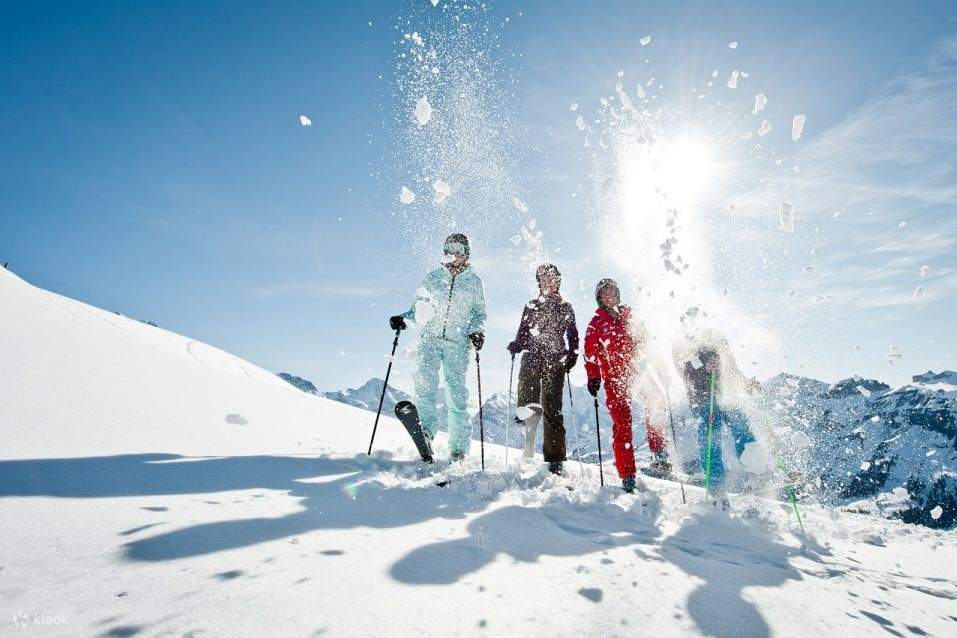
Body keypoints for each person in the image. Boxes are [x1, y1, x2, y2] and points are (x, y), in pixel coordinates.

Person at [389, 233, 487, 462]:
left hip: (458, 343)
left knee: (456, 393)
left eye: (459, 250)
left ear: (466, 254)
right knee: (424, 385)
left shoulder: (474, 282)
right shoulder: (433, 278)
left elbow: (479, 313)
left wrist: (477, 331)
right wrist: (404, 318)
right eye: (450, 249)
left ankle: (459, 447)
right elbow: (418, 309)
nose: (454, 254)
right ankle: (426, 432)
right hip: (430, 339)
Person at [583, 279, 669, 492]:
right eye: (604, 293)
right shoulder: (596, 322)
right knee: (622, 425)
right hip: (614, 378)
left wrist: (661, 371)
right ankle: (627, 475)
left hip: (636, 371)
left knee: (656, 400)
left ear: (618, 295)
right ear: (599, 298)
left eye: (612, 291)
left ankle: (659, 454)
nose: (609, 295)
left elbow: (647, 343)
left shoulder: (629, 315)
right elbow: (589, 354)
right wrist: (593, 377)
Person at [673, 318, 758, 506]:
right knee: (710, 438)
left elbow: (731, 367)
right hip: (702, 399)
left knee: (741, 426)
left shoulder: (717, 338)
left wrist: (746, 383)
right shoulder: (682, 343)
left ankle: (754, 472)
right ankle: (716, 488)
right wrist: (701, 367)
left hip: (725, 395)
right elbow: (682, 368)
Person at [507, 263, 579, 475]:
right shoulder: (531, 305)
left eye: (552, 277)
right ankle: (528, 433)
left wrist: (573, 354)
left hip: (554, 360)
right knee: (528, 400)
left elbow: (573, 334)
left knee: (553, 409)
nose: (548, 280)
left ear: (558, 281)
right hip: (532, 356)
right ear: (539, 282)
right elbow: (523, 333)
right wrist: (517, 345)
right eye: (544, 277)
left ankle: (555, 459)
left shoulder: (566, 307)